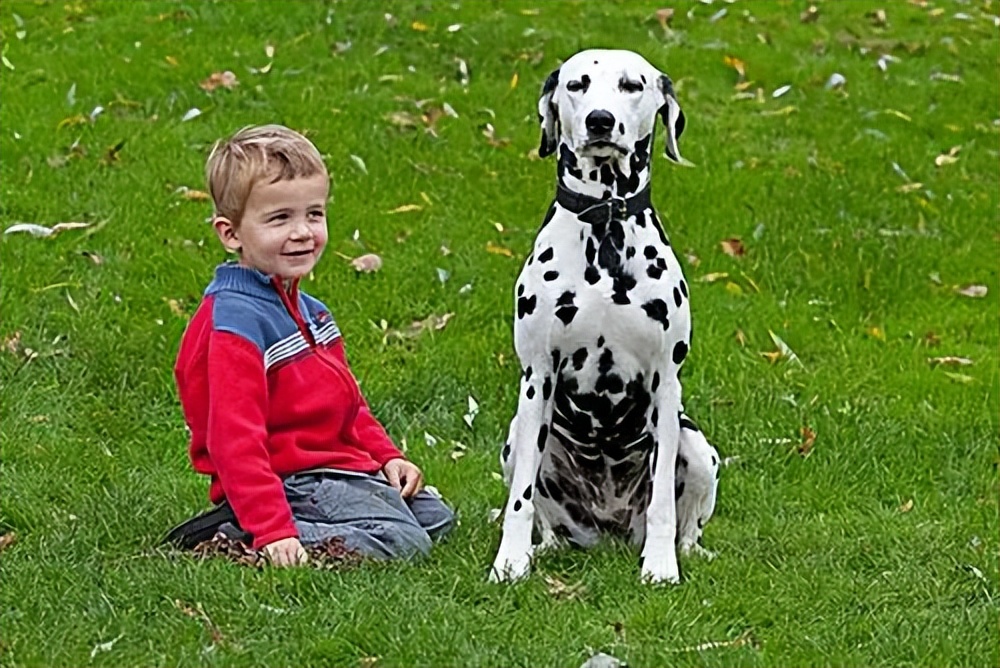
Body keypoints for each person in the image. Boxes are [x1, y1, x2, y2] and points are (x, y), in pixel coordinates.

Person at [170, 124, 454, 566]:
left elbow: (350, 407)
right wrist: (273, 530)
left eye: (314, 214)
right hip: (293, 478)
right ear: (231, 233)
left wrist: (386, 457)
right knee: (406, 541)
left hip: (338, 468)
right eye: (279, 218)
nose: (302, 232)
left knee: (435, 516)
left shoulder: (311, 310)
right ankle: (245, 536)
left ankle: (303, 521)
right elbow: (234, 442)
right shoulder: (236, 323)